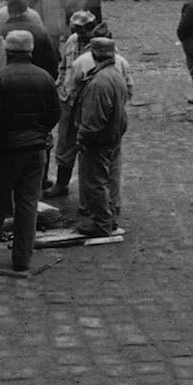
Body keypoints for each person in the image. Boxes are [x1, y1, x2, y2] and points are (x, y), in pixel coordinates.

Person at [0, 30, 61, 271]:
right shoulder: (44, 77)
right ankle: (22, 258)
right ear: (30, 51)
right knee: (28, 204)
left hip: (4, 150)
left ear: (8, 51)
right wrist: (39, 131)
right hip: (35, 150)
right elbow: (54, 113)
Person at [73, 37, 130, 236]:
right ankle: (110, 218)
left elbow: (93, 118)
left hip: (98, 140)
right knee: (107, 179)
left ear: (93, 54)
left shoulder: (98, 82)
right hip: (113, 135)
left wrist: (82, 138)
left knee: (94, 183)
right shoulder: (116, 75)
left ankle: (102, 223)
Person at [44, 10, 96, 197]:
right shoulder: (72, 41)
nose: (79, 34)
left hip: (88, 103)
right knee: (65, 142)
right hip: (68, 99)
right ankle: (62, 184)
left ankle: (90, 189)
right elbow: (63, 67)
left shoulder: (99, 45)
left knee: (89, 145)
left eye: (83, 30)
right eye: (76, 30)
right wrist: (60, 88)